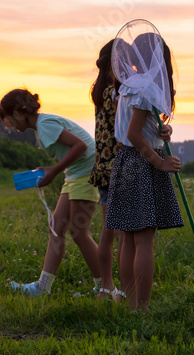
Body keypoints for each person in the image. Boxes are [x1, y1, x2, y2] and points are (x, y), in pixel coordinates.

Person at [103, 36, 183, 311]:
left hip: (124, 161)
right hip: (142, 162)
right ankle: (142, 307)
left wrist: (164, 130)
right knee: (144, 238)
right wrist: (159, 163)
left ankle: (130, 305)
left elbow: (139, 126)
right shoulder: (147, 87)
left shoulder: (129, 85)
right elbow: (134, 134)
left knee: (128, 236)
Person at [0, 88, 103, 297]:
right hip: (75, 174)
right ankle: (42, 288)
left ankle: (104, 287)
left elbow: (80, 146)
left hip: (86, 174)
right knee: (57, 228)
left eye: (9, 120)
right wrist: (48, 170)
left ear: (19, 113)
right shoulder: (42, 126)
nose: (10, 126)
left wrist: (54, 171)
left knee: (79, 233)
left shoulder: (44, 125)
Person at [87, 40, 124, 301]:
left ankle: (105, 288)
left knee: (107, 232)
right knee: (124, 234)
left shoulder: (100, 91)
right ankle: (125, 289)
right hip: (120, 167)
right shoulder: (118, 93)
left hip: (102, 168)